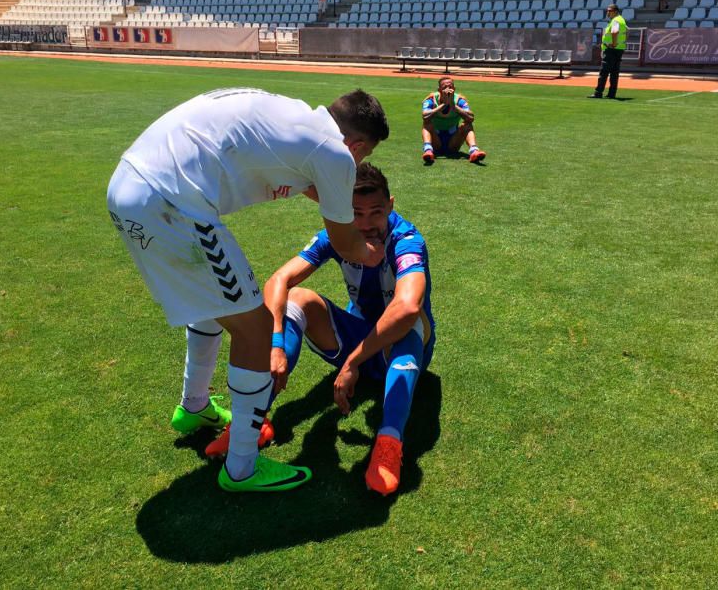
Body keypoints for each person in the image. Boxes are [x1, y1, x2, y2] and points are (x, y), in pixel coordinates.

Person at [106, 88, 389, 493]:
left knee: (212, 305)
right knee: (255, 329)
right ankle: (242, 468)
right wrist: (372, 254)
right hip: (169, 202)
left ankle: (195, 408)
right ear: (357, 145)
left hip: (129, 186)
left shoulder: (297, 117)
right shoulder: (335, 152)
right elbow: (346, 244)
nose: (355, 166)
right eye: (361, 157)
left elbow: (300, 178)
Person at [225, 162, 434, 496]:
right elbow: (279, 280)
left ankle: (389, 443)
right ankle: (254, 423)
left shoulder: (406, 239)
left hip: (395, 350)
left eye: (375, 213)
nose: (366, 225)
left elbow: (408, 305)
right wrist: (275, 341)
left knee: (408, 322)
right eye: (356, 214)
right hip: (357, 341)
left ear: (391, 206)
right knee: (298, 299)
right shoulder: (338, 238)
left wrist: (352, 362)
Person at [420, 76, 487, 164]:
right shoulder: (431, 100)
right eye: (444, 87)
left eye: (450, 87)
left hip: (453, 141)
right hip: (435, 141)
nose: (448, 89)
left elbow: (471, 118)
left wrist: (453, 105)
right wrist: (443, 104)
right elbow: (425, 117)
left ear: (454, 89)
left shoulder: (460, 100)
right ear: (439, 90)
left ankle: (474, 151)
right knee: (427, 123)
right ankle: (428, 150)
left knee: (467, 124)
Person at [590, 3, 628, 100]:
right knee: (614, 73)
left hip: (611, 49)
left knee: (604, 71)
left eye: (610, 11)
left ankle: (598, 92)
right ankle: (612, 93)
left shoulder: (615, 20)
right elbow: (627, 31)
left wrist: (614, 43)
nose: (608, 12)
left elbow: (614, 32)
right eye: (607, 11)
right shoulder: (621, 20)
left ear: (615, 11)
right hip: (619, 49)